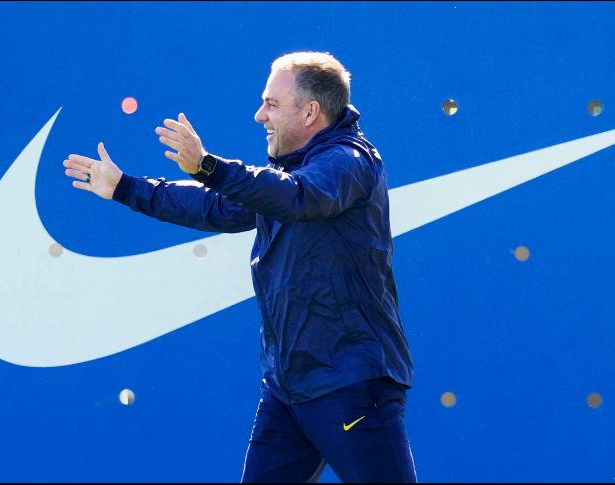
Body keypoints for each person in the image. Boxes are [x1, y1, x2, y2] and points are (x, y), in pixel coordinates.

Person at [62, 51, 416, 483]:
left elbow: (299, 197)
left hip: (350, 384)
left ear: (310, 112)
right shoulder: (282, 177)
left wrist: (208, 165)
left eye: (271, 104)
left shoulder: (349, 161)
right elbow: (214, 205)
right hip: (287, 389)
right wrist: (124, 188)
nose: (258, 115)